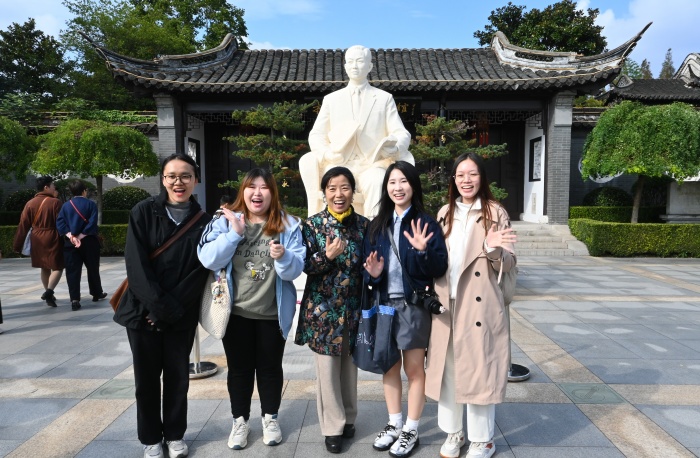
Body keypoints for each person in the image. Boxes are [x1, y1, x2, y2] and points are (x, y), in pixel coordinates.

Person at [198, 168, 305, 451]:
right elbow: (208, 259)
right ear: (242, 191)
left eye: (264, 187)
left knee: (270, 369)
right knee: (239, 370)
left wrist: (284, 257)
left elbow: (294, 271)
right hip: (235, 313)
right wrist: (234, 234)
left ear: (273, 192)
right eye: (251, 187)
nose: (257, 193)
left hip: (272, 313)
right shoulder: (224, 221)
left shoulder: (288, 224)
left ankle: (271, 418)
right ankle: (240, 421)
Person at [114, 153, 211, 458]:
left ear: (196, 180)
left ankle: (175, 435)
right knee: (145, 381)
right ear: (163, 179)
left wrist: (169, 311)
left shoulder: (205, 221)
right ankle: (150, 439)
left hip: (180, 314)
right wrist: (157, 308)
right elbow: (136, 266)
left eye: (185, 176)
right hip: (142, 312)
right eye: (171, 176)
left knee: (178, 379)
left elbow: (200, 271)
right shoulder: (143, 212)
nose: (178, 182)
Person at [425, 152, 517, 458]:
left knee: (480, 371)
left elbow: (509, 263)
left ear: (482, 178)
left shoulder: (495, 212)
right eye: (461, 175)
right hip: (446, 305)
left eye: (473, 174)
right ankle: (454, 432)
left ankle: (483, 440)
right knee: (448, 371)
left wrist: (492, 248)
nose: (466, 180)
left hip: (478, 306)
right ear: (453, 179)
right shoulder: (444, 213)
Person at [362, 161, 448, 457]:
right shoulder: (377, 226)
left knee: (413, 369)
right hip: (384, 305)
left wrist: (424, 252)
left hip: (412, 307)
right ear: (386, 188)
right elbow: (367, 269)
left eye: (403, 181)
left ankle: (411, 428)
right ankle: (394, 424)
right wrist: (373, 275)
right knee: (388, 366)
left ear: (413, 185)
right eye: (392, 182)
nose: (398, 188)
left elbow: (439, 267)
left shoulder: (425, 222)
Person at [295, 167, 369, 454]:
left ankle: (349, 418)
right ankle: (332, 427)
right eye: (332, 188)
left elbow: (369, 267)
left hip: (353, 310)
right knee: (327, 373)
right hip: (323, 313)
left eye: (345, 187)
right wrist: (325, 256)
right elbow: (304, 266)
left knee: (349, 370)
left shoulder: (363, 226)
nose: (339, 194)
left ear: (353, 191)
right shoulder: (312, 225)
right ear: (324, 192)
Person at [299, 45, 413, 218]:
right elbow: (316, 135)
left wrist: (395, 149)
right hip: (340, 162)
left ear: (370, 66)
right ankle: (332, 228)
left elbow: (402, 133)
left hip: (372, 164)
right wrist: (327, 154)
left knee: (377, 180)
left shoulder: (384, 99)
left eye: (360, 61)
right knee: (336, 181)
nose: (354, 66)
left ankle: (375, 230)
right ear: (345, 66)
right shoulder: (332, 100)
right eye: (350, 62)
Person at [13, 176, 64, 307]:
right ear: (46, 187)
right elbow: (61, 222)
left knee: (44, 266)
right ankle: (49, 291)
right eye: (53, 185)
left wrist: (17, 244)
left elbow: (23, 225)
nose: (54, 187)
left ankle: (49, 294)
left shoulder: (30, 203)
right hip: (52, 236)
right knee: (58, 266)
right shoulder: (55, 202)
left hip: (36, 238)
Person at [56, 180, 107, 311]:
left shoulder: (66, 206)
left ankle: (75, 299)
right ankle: (96, 293)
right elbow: (92, 223)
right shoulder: (91, 204)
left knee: (72, 271)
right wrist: (81, 236)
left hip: (70, 243)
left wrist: (71, 236)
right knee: (93, 268)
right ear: (84, 191)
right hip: (89, 241)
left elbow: (60, 223)